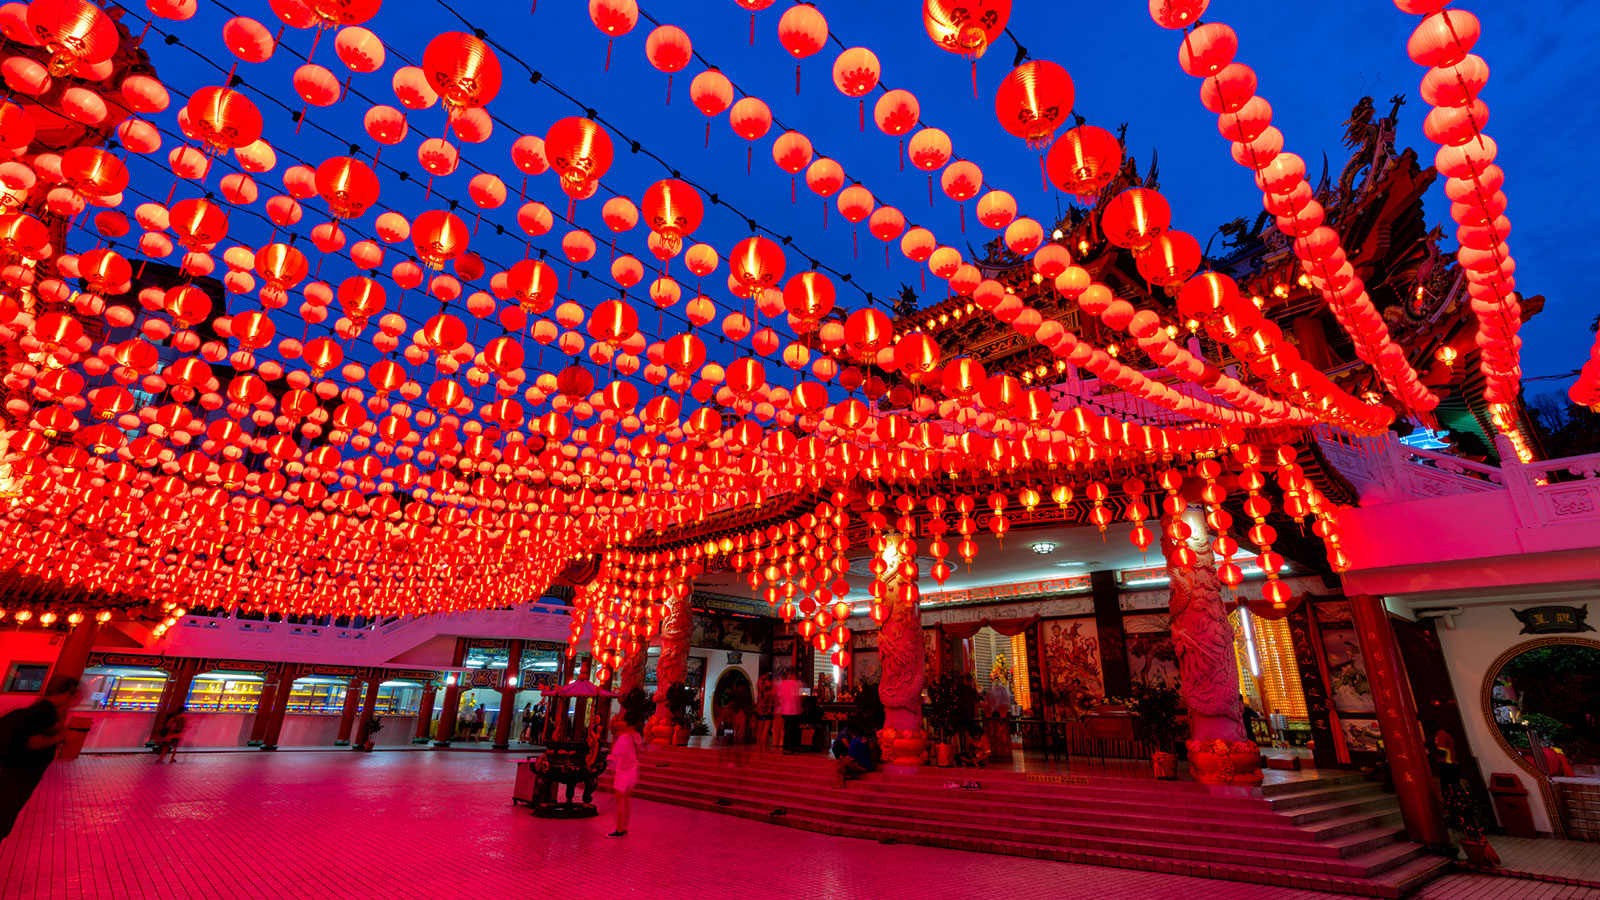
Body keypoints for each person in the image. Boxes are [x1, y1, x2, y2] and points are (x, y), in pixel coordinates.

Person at [1, 676, 80, 841]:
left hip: (14, 769)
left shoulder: (39, 707)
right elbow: (32, 741)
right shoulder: (47, 710)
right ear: (65, 693)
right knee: (5, 814)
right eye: (74, 695)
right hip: (22, 772)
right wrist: (61, 738)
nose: (75, 700)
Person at [607, 711, 645, 837]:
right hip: (633, 770)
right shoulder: (637, 737)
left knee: (620, 801)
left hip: (623, 771)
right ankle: (625, 827)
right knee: (627, 800)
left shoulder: (624, 738)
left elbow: (615, 754)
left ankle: (619, 828)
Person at [776, 670, 802, 753]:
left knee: (787, 728)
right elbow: (798, 696)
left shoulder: (783, 684)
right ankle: (790, 747)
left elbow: (779, 696)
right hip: (792, 710)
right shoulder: (796, 683)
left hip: (785, 710)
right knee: (791, 729)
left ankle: (786, 747)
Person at [754, 674, 775, 752]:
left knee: (759, 730)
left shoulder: (760, 688)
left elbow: (759, 681)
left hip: (760, 712)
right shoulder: (771, 689)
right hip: (768, 712)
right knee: (765, 731)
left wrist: (764, 676)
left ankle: (758, 747)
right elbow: (773, 700)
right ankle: (763, 748)